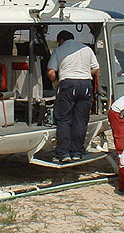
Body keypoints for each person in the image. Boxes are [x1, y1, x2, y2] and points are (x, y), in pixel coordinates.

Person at [47, 30, 100, 163]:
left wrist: (56, 82)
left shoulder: (59, 50)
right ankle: (77, 152)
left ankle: (63, 153)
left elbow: (50, 71)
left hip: (68, 84)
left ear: (61, 40)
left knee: (64, 119)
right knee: (80, 120)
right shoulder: (86, 49)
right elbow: (95, 68)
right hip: (86, 84)